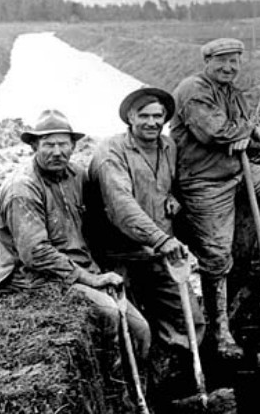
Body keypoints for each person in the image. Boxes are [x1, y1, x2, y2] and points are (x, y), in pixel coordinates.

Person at [0, 109, 151, 396]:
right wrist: (91, 279)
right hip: (37, 277)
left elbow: (101, 221)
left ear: (74, 146)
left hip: (82, 268)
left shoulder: (77, 176)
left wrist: (143, 247)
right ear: (34, 146)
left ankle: (139, 396)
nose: (57, 152)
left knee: (141, 330)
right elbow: (36, 254)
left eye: (64, 144)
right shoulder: (22, 189)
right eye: (49, 145)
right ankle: (111, 391)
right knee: (110, 315)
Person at [170, 37, 260, 359]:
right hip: (204, 180)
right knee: (216, 256)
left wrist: (241, 133)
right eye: (222, 61)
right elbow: (212, 132)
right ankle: (220, 331)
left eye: (235, 61)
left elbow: (249, 133)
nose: (229, 67)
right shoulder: (193, 89)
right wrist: (239, 132)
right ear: (207, 62)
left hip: (238, 170)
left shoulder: (233, 93)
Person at [86, 87, 206, 397]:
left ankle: (170, 385)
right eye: (145, 116)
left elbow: (166, 187)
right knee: (132, 329)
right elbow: (121, 207)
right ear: (130, 117)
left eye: (158, 116)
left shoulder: (168, 147)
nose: (152, 122)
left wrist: (171, 203)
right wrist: (160, 239)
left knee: (190, 318)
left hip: (157, 253)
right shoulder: (110, 153)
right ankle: (133, 394)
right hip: (119, 255)